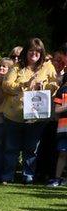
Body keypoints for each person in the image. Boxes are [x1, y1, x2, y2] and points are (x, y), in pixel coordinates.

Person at [0, 38, 60, 184]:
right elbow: (6, 85)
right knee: (11, 148)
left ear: (42, 53)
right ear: (26, 52)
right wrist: (24, 84)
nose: (34, 54)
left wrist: (44, 87)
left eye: (37, 51)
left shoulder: (48, 66)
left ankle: (28, 176)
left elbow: (55, 84)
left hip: (36, 116)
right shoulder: (16, 67)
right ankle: (8, 176)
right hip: (14, 115)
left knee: (31, 148)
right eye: (31, 51)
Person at [48, 56, 67, 187]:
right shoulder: (63, 91)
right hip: (64, 128)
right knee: (62, 153)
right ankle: (57, 178)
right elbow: (57, 109)